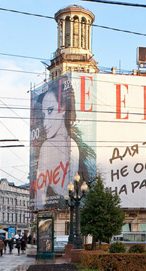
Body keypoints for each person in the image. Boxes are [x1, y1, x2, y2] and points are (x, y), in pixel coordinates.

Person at [31, 76, 96, 209]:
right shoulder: (46, 146)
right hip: (61, 208)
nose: (45, 123)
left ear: (63, 108)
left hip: (72, 208)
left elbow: (42, 197)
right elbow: (40, 195)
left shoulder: (72, 147)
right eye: (44, 115)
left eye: (50, 111)